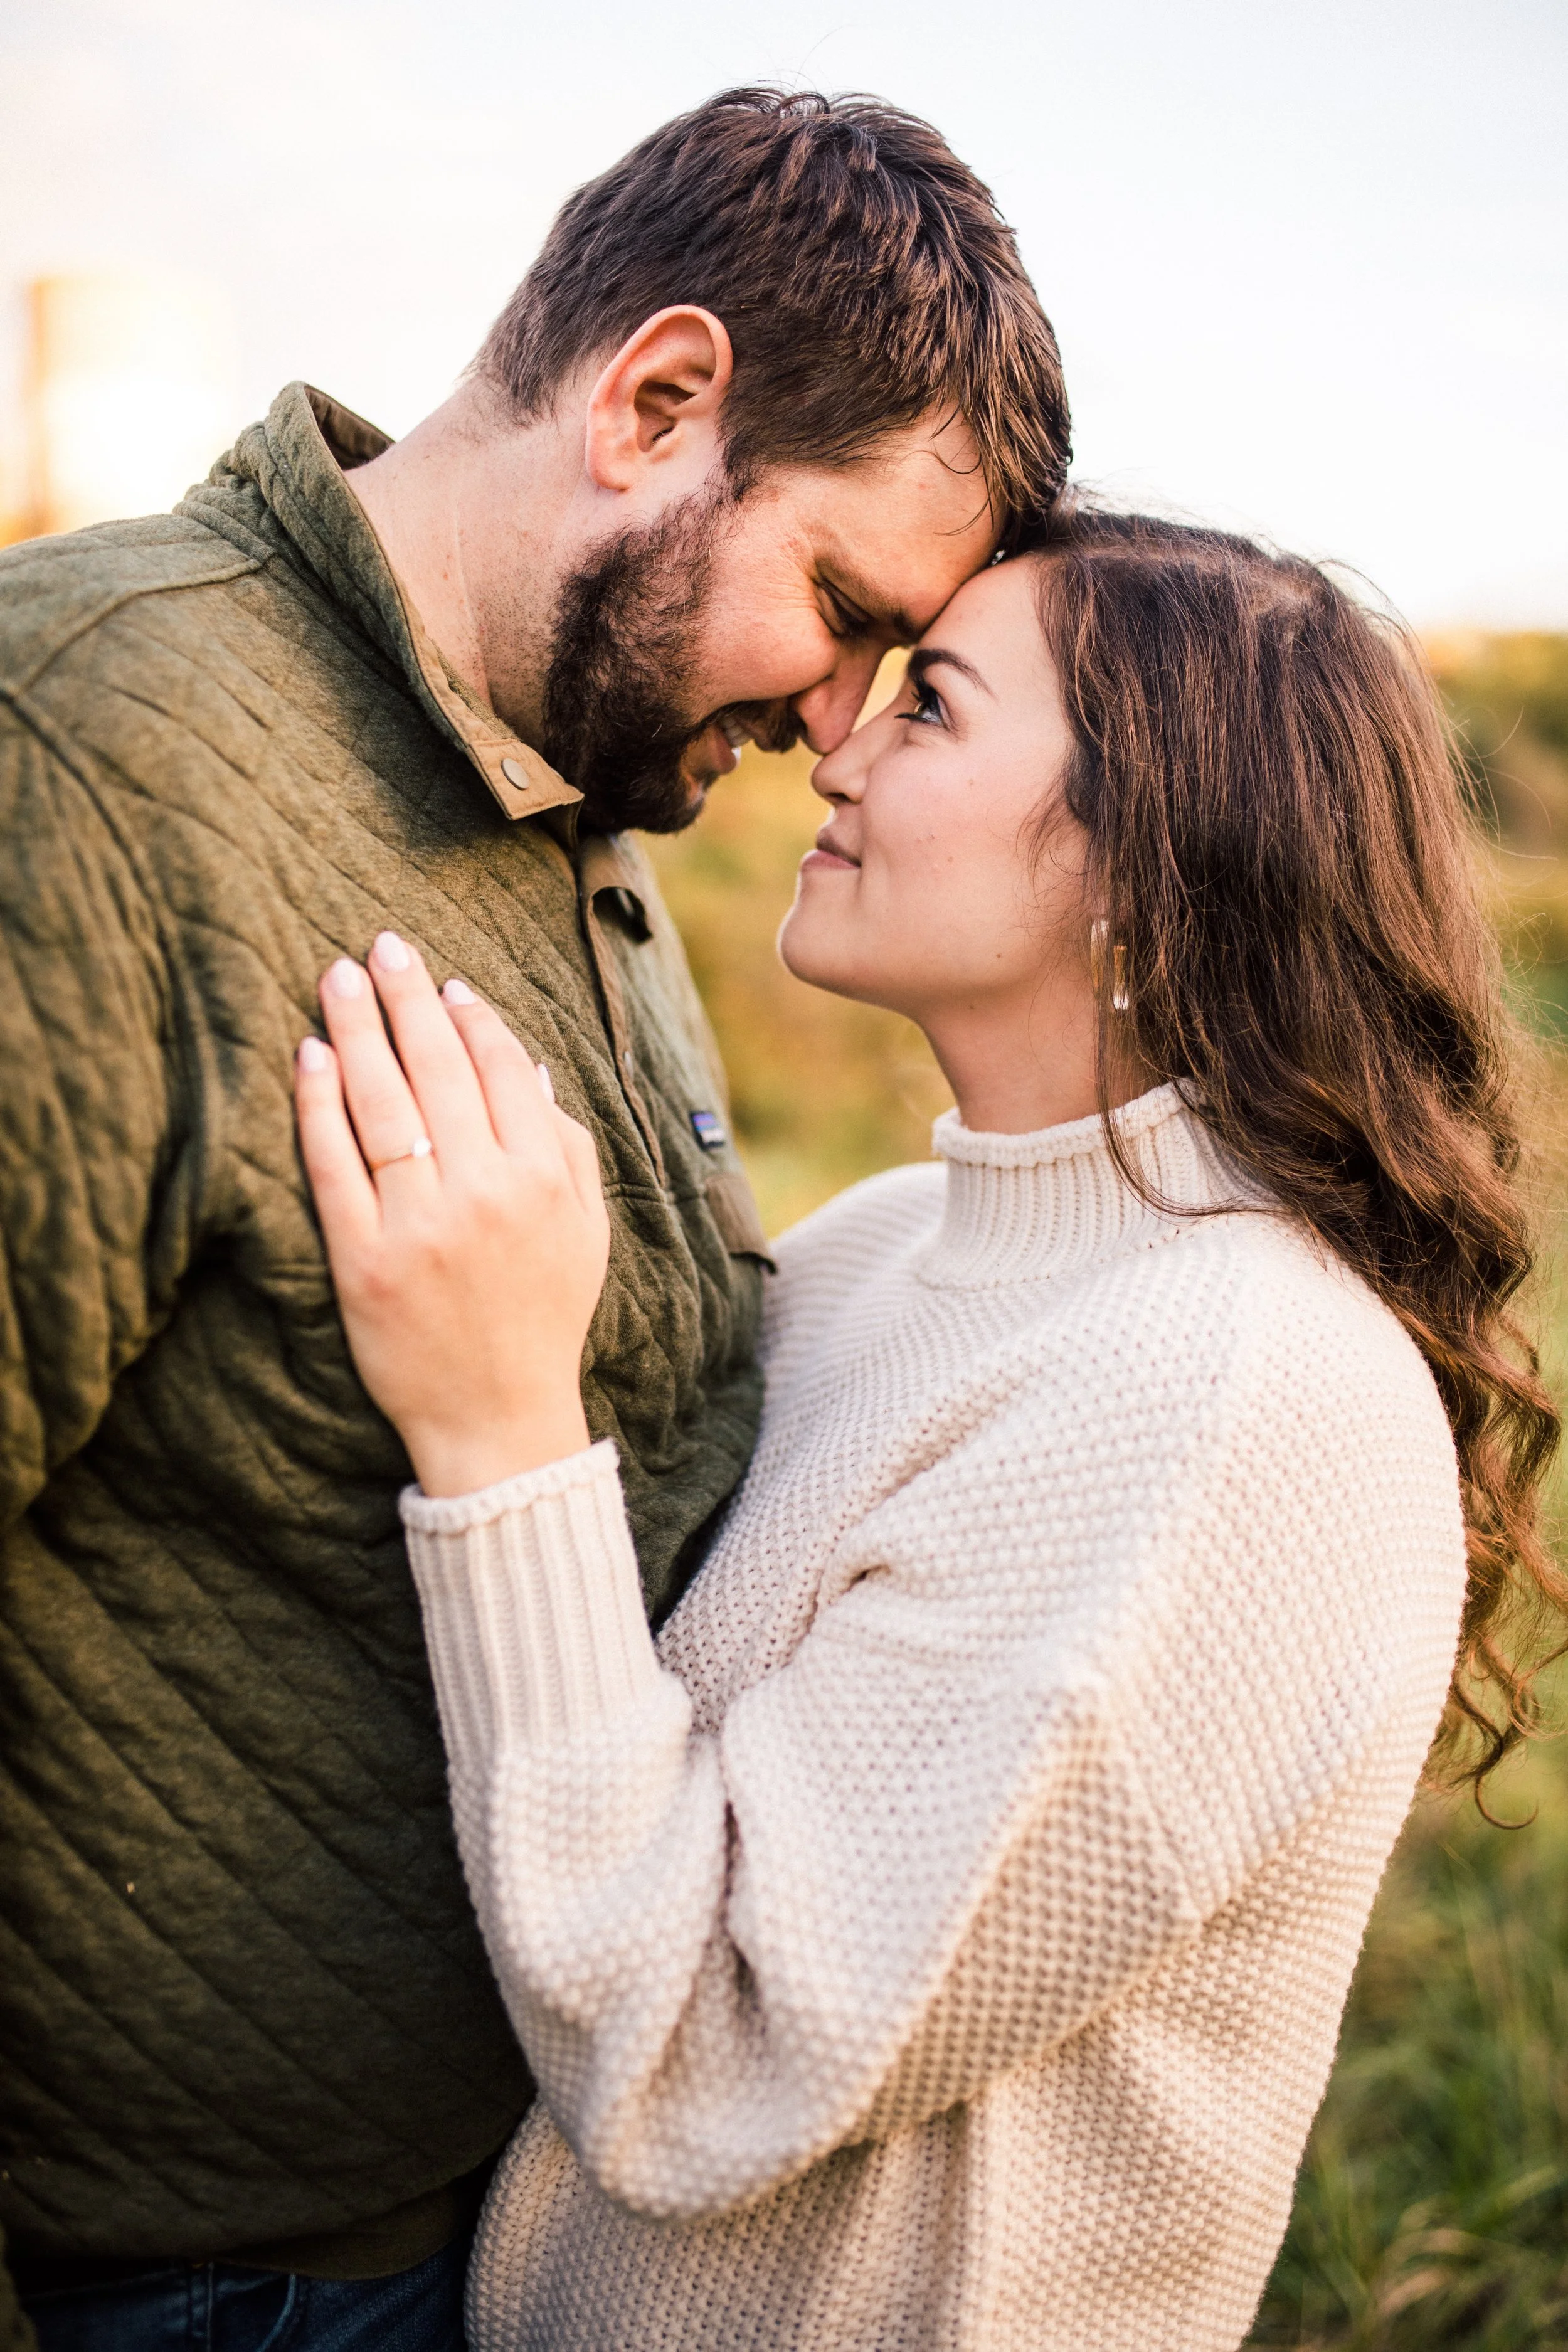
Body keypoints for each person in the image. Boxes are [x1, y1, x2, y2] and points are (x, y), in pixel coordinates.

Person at [0, 91, 1071, 2352]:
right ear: (655, 403)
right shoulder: (85, 750)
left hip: (526, 2213)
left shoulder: (580, 776)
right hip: (240, 2287)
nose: (838, 719)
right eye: (846, 610)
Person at [294, 509, 1561, 2352]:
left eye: (937, 704)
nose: (840, 735)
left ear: (1148, 855)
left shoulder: (1234, 1388)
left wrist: (498, 1424)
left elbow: (700, 2051)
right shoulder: (894, 1240)